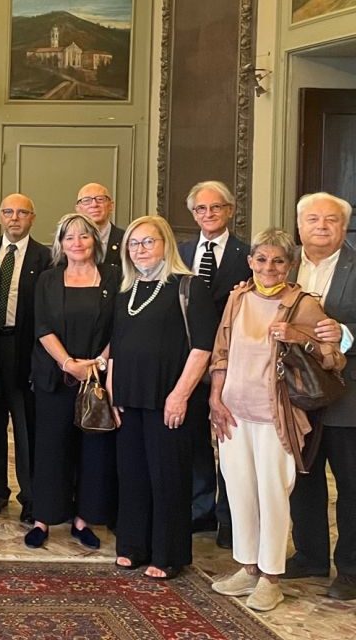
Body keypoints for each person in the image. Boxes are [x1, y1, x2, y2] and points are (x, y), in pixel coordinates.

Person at [208, 228, 347, 611]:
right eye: (262, 259)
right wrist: (215, 398)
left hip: (276, 417)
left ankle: (271, 577)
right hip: (234, 415)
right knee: (239, 493)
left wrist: (297, 336)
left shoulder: (303, 303)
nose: (269, 267)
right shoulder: (238, 297)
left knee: (272, 494)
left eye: (278, 260)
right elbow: (221, 353)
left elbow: (334, 357)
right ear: (250, 261)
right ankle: (247, 567)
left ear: (290, 264)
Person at [109, 215, 216, 580]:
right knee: (133, 475)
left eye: (148, 242)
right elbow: (116, 345)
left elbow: (203, 347)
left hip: (168, 398)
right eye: (134, 243)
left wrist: (180, 395)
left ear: (166, 244)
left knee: (167, 476)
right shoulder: (126, 289)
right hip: (129, 396)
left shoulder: (188, 286)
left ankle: (168, 554)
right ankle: (133, 546)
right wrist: (112, 389)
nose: (140, 249)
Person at [27, 213, 119, 550]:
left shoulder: (112, 277)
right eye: (69, 238)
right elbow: (42, 327)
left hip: (97, 377)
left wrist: (95, 364)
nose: (77, 243)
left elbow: (118, 328)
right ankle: (43, 519)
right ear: (60, 244)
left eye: (83, 236)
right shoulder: (49, 280)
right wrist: (68, 362)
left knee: (93, 450)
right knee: (51, 448)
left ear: (95, 240)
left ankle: (84, 519)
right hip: (55, 375)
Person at [286, 192, 356, 601]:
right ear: (299, 225)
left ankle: (349, 568)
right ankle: (309, 555)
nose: (322, 226)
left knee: (350, 483)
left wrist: (346, 333)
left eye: (331, 220)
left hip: (347, 395)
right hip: (294, 394)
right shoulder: (283, 261)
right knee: (303, 478)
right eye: (313, 219)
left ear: (344, 227)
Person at [176, 181, 251, 549]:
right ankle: (201, 509)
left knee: (231, 442)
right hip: (187, 360)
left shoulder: (248, 255)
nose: (208, 214)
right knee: (194, 442)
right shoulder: (181, 250)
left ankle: (231, 520)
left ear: (230, 210)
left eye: (216, 207)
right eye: (200, 209)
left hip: (232, 362)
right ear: (193, 214)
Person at [0, 193, 50, 524]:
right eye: (8, 212)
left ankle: (31, 497)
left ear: (32, 218)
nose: (14, 218)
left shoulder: (45, 257)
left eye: (22, 213)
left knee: (25, 428)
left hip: (22, 350)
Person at [75, 183, 124, 268]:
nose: (94, 205)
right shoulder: (69, 242)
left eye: (100, 199)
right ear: (78, 209)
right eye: (86, 200)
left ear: (111, 206)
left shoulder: (126, 239)